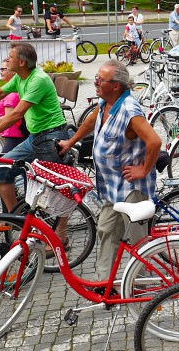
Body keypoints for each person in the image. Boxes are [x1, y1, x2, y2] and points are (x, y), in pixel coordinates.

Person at [57, 60, 160, 280]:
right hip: (111, 185)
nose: (95, 82)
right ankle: (105, 282)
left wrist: (143, 170)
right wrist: (71, 141)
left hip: (132, 188)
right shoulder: (105, 103)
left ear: (116, 85)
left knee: (137, 240)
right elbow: (90, 121)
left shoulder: (129, 109)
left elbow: (154, 142)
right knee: (106, 231)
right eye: (96, 78)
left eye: (100, 80)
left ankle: (141, 286)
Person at [0, 43, 67, 216]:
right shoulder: (20, 77)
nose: (6, 60)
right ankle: (16, 218)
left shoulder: (37, 79)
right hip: (35, 137)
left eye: (10, 57)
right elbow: (0, 92)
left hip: (51, 136)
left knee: (53, 187)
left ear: (21, 62)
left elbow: (17, 114)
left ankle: (61, 235)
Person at [0, 59, 28, 153]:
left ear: (13, 71)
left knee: (1, 166)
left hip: (14, 134)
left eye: (3, 69)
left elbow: (9, 117)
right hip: (9, 133)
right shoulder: (11, 88)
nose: (1, 72)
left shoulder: (12, 94)